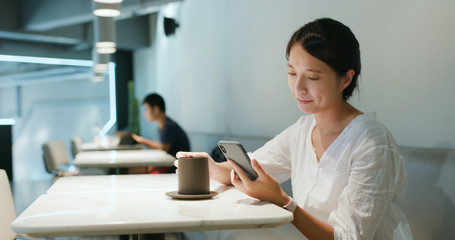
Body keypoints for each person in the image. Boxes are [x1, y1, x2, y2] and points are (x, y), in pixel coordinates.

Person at [176, 18, 412, 239]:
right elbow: (255, 167)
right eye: (292, 73)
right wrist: (213, 167)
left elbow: (348, 237)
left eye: (312, 77)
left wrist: (283, 201)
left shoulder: (371, 142)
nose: (298, 87)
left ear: (345, 79)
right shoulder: (303, 130)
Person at [132, 93, 190, 174]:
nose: (145, 113)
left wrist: (143, 140)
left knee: (134, 171)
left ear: (156, 109)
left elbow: (164, 148)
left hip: (175, 169)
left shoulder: (169, 126)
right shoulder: (165, 125)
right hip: (171, 166)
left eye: (147, 109)